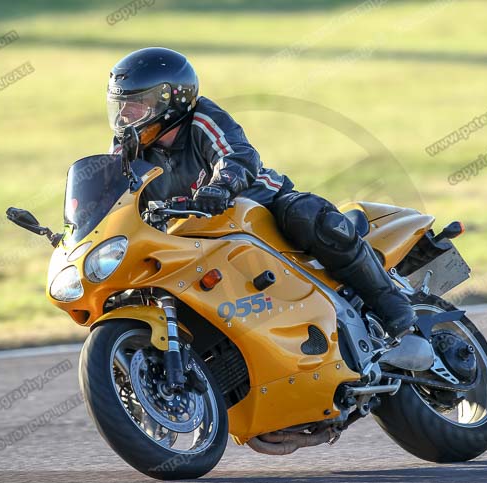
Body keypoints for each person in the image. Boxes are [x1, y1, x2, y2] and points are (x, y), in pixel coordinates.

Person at [106, 47, 417, 340]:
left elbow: (238, 155)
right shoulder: (127, 148)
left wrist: (221, 185)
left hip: (258, 207)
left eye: (136, 104)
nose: (125, 116)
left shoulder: (202, 119)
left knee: (306, 215)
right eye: (121, 106)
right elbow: (113, 196)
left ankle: (389, 302)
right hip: (192, 234)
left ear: (169, 100)